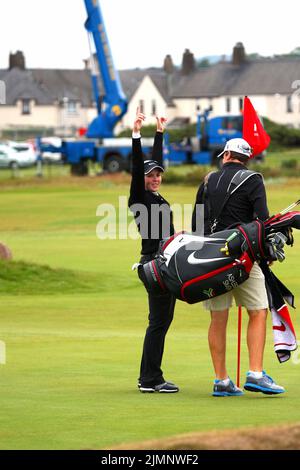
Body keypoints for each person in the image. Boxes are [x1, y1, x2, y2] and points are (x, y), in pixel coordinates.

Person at [192, 138, 285, 397]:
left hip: (210, 257)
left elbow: (197, 223)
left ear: (226, 156)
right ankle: (255, 373)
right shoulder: (253, 179)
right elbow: (262, 220)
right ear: (245, 158)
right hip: (243, 257)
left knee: (218, 318)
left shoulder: (208, 180)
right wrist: (267, 253)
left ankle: (221, 380)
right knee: (258, 311)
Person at [128, 108, 179, 393]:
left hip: (164, 262)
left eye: (158, 174)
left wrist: (159, 131)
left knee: (160, 321)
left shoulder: (157, 195)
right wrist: (136, 133)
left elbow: (152, 162)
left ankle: (149, 377)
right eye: (151, 175)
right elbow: (138, 168)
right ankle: (150, 380)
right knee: (159, 323)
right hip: (154, 263)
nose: (155, 177)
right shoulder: (140, 197)